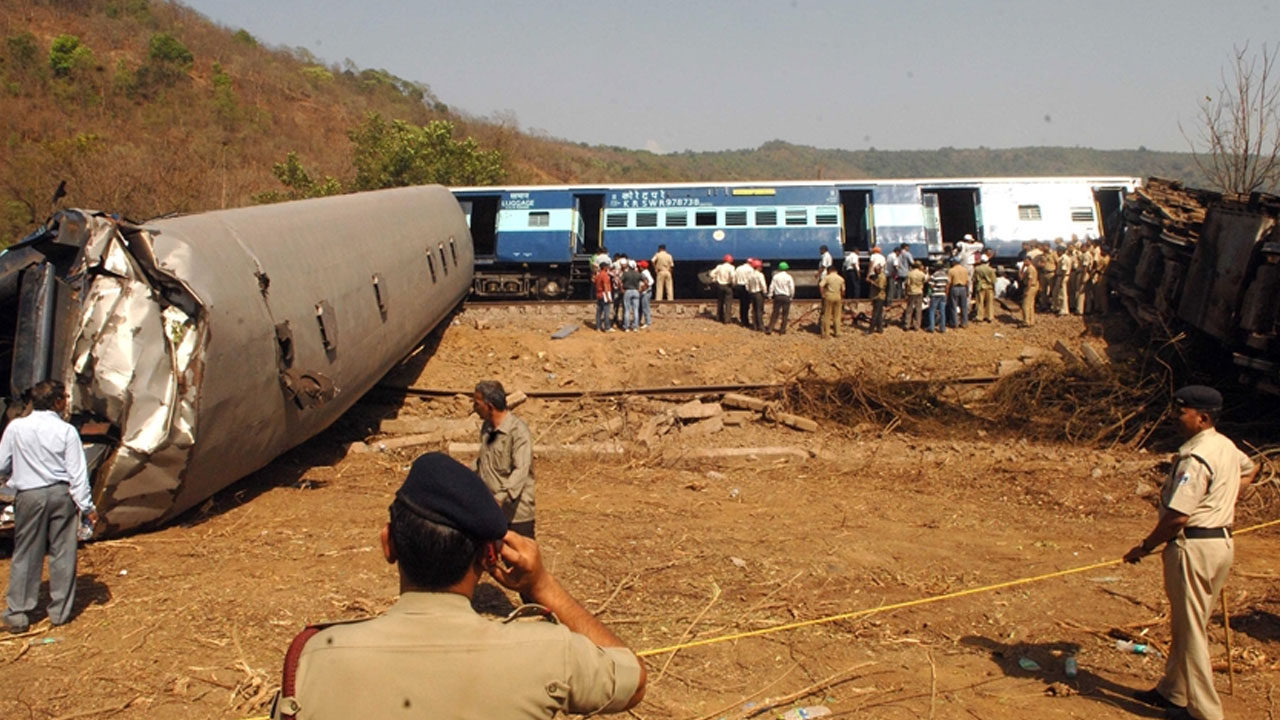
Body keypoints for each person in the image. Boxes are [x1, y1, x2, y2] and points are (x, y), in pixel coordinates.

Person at [272, 452, 646, 720]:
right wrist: (543, 586)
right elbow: (633, 680)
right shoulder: (547, 653)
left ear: (389, 545)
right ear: (488, 558)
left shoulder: (311, 662)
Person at [1124, 386, 1258, 720]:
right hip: (1220, 544)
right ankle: (1174, 690)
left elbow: (1178, 516)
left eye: (1181, 412)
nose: (1175, 417)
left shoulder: (1195, 457)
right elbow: (1249, 468)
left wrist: (1145, 546)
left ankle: (1204, 712)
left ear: (1203, 418)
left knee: (1192, 631)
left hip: (1193, 548)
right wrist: (1225, 502)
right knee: (1188, 623)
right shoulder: (1224, 445)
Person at [2, 380, 98, 632]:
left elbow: (1, 464)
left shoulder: (16, 428)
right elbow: (77, 475)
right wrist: (87, 507)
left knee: (26, 552)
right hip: (60, 495)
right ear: (57, 402)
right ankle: (59, 613)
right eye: (65, 397)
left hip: (30, 495)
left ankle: (19, 614)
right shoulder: (66, 432)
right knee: (63, 551)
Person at [472, 380, 536, 539]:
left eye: (477, 404)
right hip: (490, 511)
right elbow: (485, 459)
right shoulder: (487, 428)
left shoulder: (518, 432)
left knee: (519, 561)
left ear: (489, 406)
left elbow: (521, 470)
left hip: (515, 515)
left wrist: (500, 498)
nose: (474, 408)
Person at [765, 261, 794, 335]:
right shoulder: (789, 277)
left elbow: (772, 286)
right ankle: (782, 330)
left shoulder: (775, 276)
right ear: (787, 268)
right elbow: (792, 288)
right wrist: (791, 296)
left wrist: (770, 295)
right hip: (786, 297)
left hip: (777, 297)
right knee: (785, 314)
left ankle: (770, 328)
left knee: (775, 313)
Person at [818, 265, 845, 337]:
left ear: (829, 271)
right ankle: (837, 332)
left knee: (827, 315)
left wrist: (823, 294)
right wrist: (841, 297)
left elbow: (821, 285)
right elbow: (843, 290)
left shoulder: (827, 277)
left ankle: (827, 333)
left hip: (829, 296)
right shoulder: (841, 278)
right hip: (838, 296)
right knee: (837, 315)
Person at [972, 254, 997, 323]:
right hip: (989, 288)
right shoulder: (991, 270)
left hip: (980, 287)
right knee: (990, 303)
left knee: (980, 302)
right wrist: (994, 290)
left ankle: (980, 316)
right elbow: (994, 281)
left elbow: (974, 279)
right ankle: (990, 317)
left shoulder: (977, 269)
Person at [903, 261, 927, 331]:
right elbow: (925, 281)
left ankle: (907, 324)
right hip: (919, 292)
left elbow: (906, 284)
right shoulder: (922, 274)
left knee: (909, 308)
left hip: (911, 292)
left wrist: (906, 293)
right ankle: (917, 325)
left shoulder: (909, 274)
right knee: (918, 309)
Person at [946, 257, 970, 329]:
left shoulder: (951, 270)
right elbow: (967, 282)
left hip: (954, 288)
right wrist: (967, 291)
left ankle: (955, 323)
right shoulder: (965, 270)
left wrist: (947, 292)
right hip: (963, 288)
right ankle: (964, 323)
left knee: (953, 306)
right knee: (964, 306)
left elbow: (948, 283)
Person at [710, 255, 735, 324]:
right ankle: (727, 319)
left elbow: (712, 274)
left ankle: (719, 317)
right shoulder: (731, 268)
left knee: (720, 302)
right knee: (728, 303)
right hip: (727, 286)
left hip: (720, 286)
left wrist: (715, 279)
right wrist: (733, 283)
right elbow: (732, 276)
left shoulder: (719, 267)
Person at [926, 262, 949, 333]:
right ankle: (942, 328)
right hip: (943, 294)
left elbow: (931, 285)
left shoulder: (934, 275)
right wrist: (945, 293)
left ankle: (932, 327)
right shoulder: (945, 275)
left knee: (932, 310)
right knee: (942, 311)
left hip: (935, 294)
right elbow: (947, 285)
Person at [746, 259, 767, 331]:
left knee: (754, 310)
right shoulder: (760, 275)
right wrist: (765, 292)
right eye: (760, 266)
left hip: (752, 293)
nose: (761, 268)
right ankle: (761, 326)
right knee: (759, 310)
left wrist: (749, 291)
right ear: (758, 267)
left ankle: (754, 326)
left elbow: (747, 285)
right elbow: (763, 285)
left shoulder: (750, 275)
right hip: (758, 294)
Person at [621, 261, 642, 332]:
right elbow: (646, 281)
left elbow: (619, 281)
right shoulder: (638, 274)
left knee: (627, 310)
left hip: (628, 291)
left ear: (629, 266)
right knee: (635, 310)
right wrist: (642, 289)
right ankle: (635, 326)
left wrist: (621, 289)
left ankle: (626, 327)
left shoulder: (625, 274)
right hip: (636, 291)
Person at [1019, 256, 1039, 327]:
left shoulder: (1030, 269)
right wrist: (1023, 267)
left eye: (1026, 261)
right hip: (1033, 286)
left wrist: (1027, 290)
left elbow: (1030, 280)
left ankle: (1026, 321)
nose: (1024, 263)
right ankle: (1031, 320)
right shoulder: (1029, 268)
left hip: (1030, 287)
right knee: (1030, 304)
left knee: (1025, 305)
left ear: (1030, 261)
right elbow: (1021, 276)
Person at [867, 262, 887, 334]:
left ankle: (870, 329)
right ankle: (880, 329)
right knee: (879, 314)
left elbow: (880, 287)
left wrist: (871, 282)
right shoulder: (877, 276)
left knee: (875, 314)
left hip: (879, 297)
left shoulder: (881, 277)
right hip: (876, 297)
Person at [593, 261, 613, 332]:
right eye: (607, 266)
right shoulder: (605, 275)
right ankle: (607, 327)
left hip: (598, 294)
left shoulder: (598, 275)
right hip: (604, 294)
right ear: (604, 267)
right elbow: (605, 286)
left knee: (599, 312)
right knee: (606, 312)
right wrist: (608, 297)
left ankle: (598, 327)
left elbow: (593, 280)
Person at [734, 257, 755, 327]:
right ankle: (745, 321)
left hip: (738, 286)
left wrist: (734, 284)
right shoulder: (750, 269)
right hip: (746, 287)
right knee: (746, 305)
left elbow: (735, 278)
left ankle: (742, 319)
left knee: (741, 304)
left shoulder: (738, 268)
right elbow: (751, 279)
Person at [637, 260, 654, 329]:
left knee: (645, 308)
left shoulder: (644, 273)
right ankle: (639, 321)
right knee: (642, 307)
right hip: (646, 292)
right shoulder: (646, 272)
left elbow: (651, 281)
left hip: (645, 293)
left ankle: (648, 322)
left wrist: (645, 288)